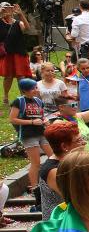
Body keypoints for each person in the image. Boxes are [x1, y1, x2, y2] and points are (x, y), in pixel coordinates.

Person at [9, 79, 54, 209]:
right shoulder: (19, 101)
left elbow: (41, 115)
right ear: (25, 90)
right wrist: (32, 122)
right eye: (34, 88)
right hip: (29, 135)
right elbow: (13, 119)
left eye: (36, 87)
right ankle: (36, 190)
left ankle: (51, 183)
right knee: (36, 163)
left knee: (53, 156)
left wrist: (44, 121)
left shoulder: (38, 101)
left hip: (41, 133)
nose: (36, 90)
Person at [39, 120, 86, 220]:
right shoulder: (54, 171)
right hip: (60, 227)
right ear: (64, 146)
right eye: (79, 141)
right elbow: (77, 200)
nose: (84, 143)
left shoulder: (70, 162)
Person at [0, 2, 31, 105]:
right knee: (8, 76)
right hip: (7, 53)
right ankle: (5, 95)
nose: (7, 10)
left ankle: (23, 97)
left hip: (19, 52)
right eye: (4, 8)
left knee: (21, 75)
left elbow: (27, 29)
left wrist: (21, 14)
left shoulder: (18, 23)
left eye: (9, 8)